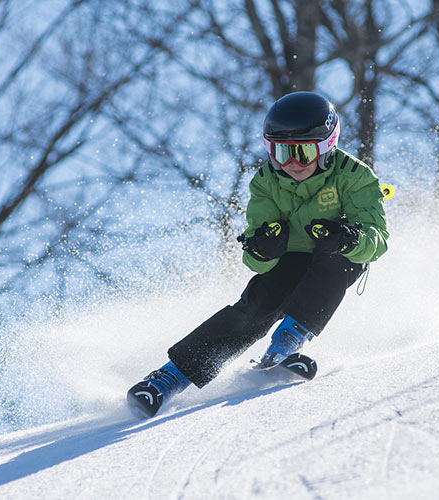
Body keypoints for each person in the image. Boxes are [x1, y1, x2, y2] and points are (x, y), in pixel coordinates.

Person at [127, 91, 389, 417]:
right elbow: (254, 258)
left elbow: (377, 240)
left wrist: (349, 238)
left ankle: (284, 345)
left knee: (339, 262)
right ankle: (168, 379)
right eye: (280, 153)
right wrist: (263, 248)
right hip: (289, 258)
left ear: (326, 148)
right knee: (257, 305)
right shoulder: (266, 181)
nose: (291, 164)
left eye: (303, 153)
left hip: (336, 254)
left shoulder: (354, 175)